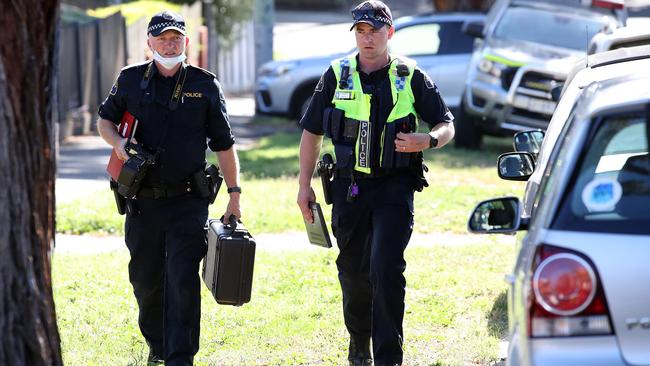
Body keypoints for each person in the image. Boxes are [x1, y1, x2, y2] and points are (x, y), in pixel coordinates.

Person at [296, 1, 455, 365]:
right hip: (349, 188)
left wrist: (427, 141)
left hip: (394, 187)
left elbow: (446, 124)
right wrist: (303, 187)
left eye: (375, 31)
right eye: (361, 32)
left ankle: (388, 357)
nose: (367, 39)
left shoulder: (410, 74)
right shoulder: (336, 74)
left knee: (385, 267)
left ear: (390, 33)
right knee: (353, 273)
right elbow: (311, 133)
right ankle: (359, 344)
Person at [96, 11, 241, 366]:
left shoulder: (205, 85)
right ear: (149, 44)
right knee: (146, 280)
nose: (169, 44)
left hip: (187, 202)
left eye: (176, 38)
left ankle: (180, 356)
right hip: (142, 202)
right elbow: (104, 120)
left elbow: (224, 144)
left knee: (182, 279)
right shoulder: (130, 80)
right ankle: (158, 346)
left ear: (186, 42)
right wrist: (117, 144)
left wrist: (235, 194)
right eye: (162, 39)